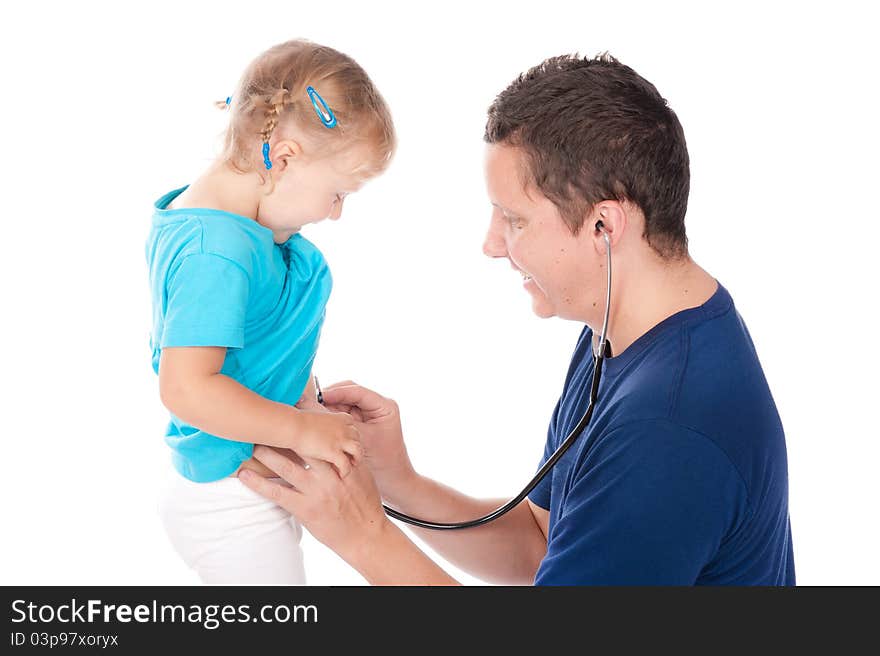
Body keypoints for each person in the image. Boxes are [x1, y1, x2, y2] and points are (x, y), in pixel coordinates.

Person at [239, 53, 796, 585]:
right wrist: (396, 483)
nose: (491, 244)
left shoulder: (668, 428)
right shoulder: (629, 331)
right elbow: (543, 543)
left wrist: (359, 534)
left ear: (604, 226)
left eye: (515, 220)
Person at [146, 39, 395, 583]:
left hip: (239, 486)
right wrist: (302, 433)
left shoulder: (239, 233)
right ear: (282, 159)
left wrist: (305, 408)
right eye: (338, 192)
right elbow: (185, 387)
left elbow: (257, 347)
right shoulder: (217, 253)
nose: (336, 213)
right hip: (226, 500)